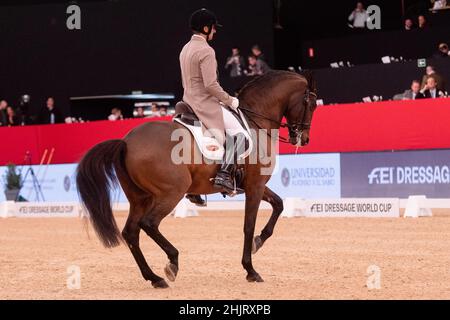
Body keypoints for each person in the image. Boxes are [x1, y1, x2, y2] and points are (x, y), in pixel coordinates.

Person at [179, 8, 242, 194]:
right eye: (214, 28)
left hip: (188, 101)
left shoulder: (185, 48)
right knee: (239, 135)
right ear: (206, 29)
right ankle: (224, 175)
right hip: (204, 104)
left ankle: (194, 193)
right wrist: (230, 100)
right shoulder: (206, 50)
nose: (215, 31)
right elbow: (211, 85)